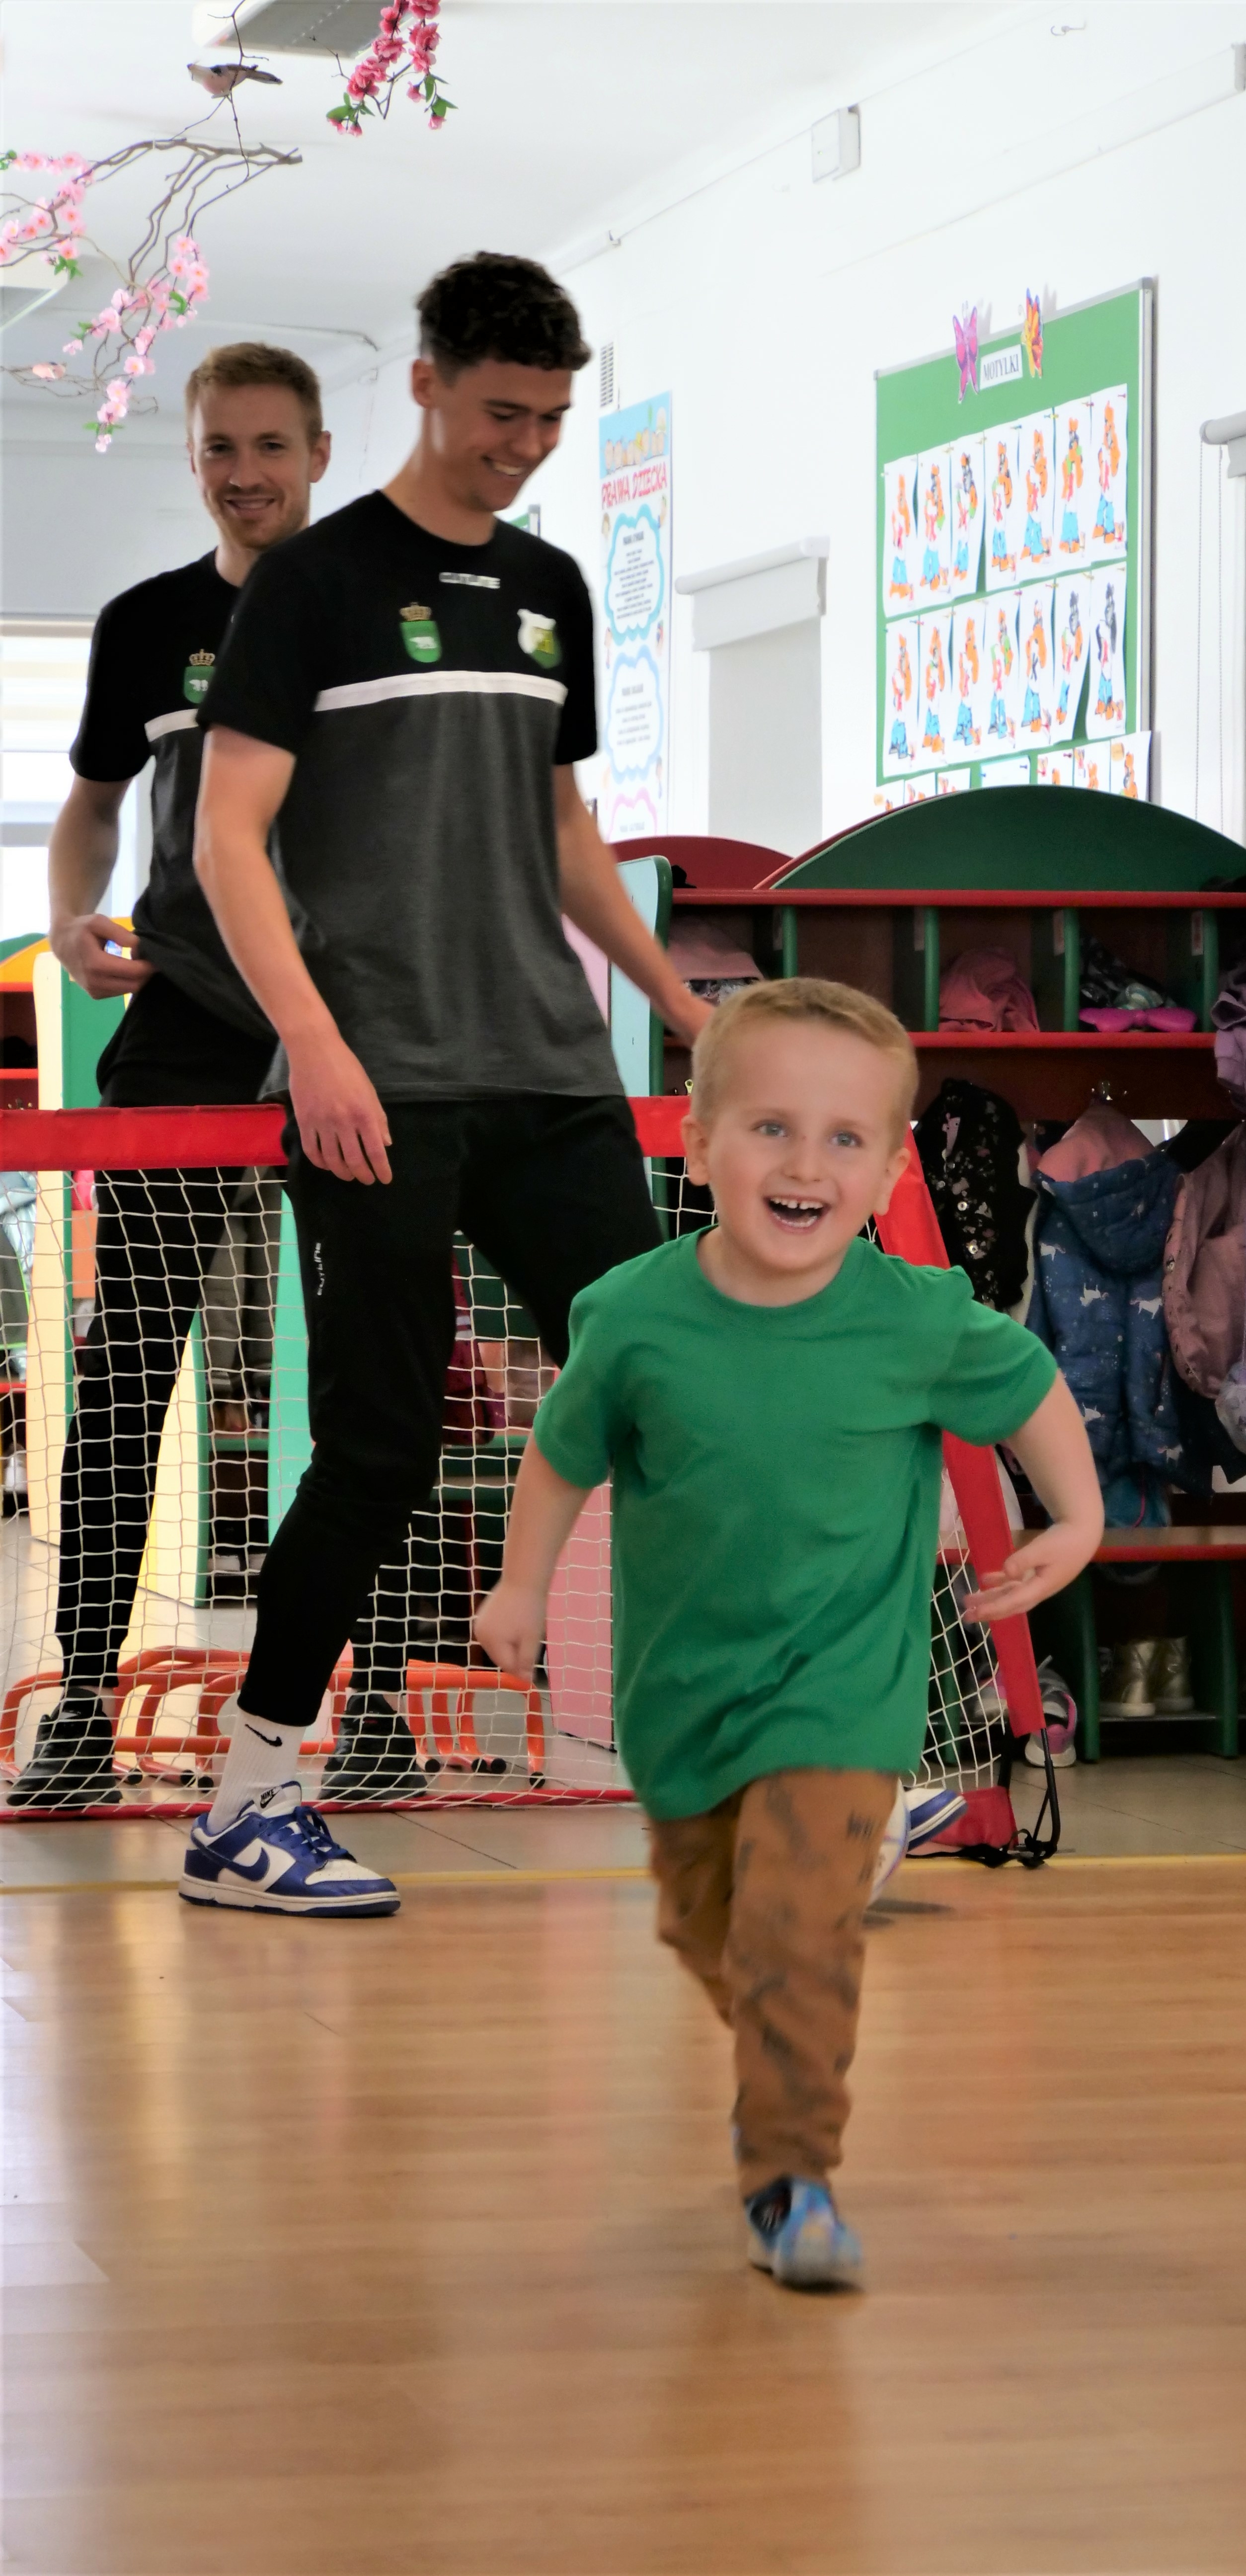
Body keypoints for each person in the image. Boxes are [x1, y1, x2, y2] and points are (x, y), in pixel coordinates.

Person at [179, 252, 708, 1916]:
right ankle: (248, 1807)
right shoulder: (315, 583)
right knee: (384, 1444)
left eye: (549, 419)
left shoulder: (552, 588)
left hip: (551, 1072)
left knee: (679, 1400)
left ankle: (773, 1771)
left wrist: (677, 1001)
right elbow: (229, 836)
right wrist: (318, 1045)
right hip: (378, 1081)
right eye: (499, 414)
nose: (524, 447)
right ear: (423, 383)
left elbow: (561, 829)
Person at [472, 979, 1103, 2287]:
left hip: (844, 1696)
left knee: (797, 1937)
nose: (806, 1164)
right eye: (771, 1129)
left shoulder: (916, 1318)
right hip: (680, 1703)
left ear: (887, 1173)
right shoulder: (632, 1317)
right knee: (712, 1931)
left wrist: (1079, 1519)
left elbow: (1028, 1386)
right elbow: (562, 1453)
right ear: (699, 1146)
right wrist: (521, 1587)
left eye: (843, 1138)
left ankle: (792, 2174)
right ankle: (776, 2049)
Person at [9, 344, 332, 1810]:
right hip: (186, 1025)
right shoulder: (148, 625)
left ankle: (374, 1708)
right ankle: (85, 1701)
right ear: (192, 458)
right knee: (128, 1365)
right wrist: (69, 919)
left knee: (372, 1378)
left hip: (354, 1029)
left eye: (269, 446)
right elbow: (91, 809)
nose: (244, 474)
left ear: (318, 453)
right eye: (219, 449)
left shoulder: (369, 614)